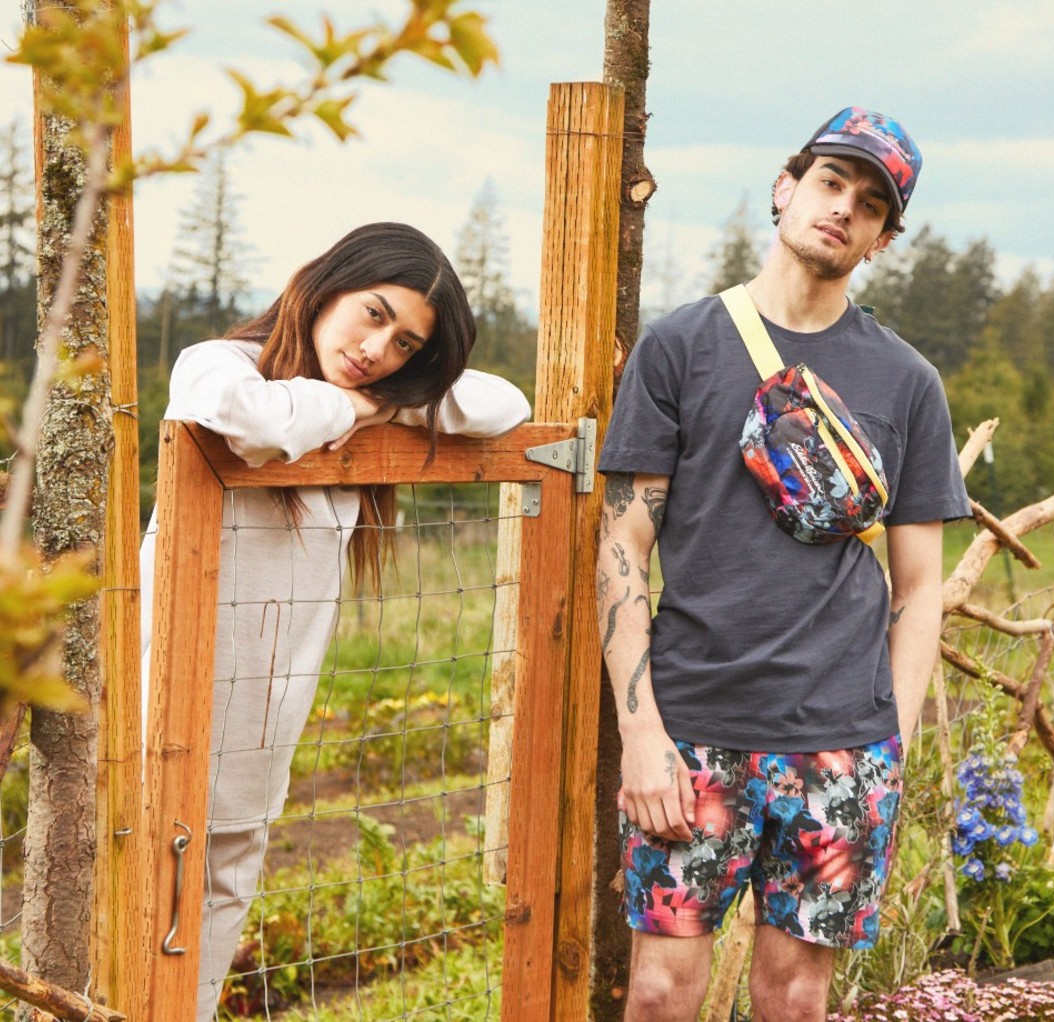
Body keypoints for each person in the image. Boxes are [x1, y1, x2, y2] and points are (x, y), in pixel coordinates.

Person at [596, 108, 972, 1021]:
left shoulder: (907, 382)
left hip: (843, 739)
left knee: (796, 997)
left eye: (872, 203)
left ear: (884, 239)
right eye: (831, 183)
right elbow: (623, 544)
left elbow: (921, 589)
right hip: (693, 733)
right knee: (657, 992)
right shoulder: (680, 348)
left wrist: (894, 740)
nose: (844, 209)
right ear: (786, 187)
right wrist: (642, 734)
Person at [138, 222, 531, 1021]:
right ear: (324, 285)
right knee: (123, 927)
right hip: (156, 717)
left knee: (200, 964)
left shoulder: (377, 403)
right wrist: (351, 404)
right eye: (374, 312)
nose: (379, 348)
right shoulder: (223, 362)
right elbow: (241, 417)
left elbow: (505, 403)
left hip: (257, 737)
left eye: (406, 345)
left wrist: (381, 406)